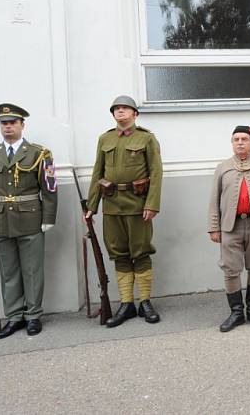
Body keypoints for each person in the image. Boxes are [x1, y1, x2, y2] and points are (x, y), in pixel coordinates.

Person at [0, 103, 58, 338]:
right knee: (8, 271)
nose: (8, 127)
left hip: (30, 218)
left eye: (13, 122)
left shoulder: (40, 153)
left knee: (32, 270)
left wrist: (48, 217)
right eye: (4, 123)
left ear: (23, 125)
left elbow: (49, 189)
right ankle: (14, 317)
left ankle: (33, 315)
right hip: (0, 219)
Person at [85, 95, 163, 327]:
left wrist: (152, 204)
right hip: (112, 206)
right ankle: (127, 303)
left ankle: (145, 301)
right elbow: (97, 173)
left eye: (125, 108)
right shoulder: (105, 139)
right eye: (116, 109)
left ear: (135, 114)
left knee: (140, 252)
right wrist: (92, 206)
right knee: (118, 253)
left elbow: (156, 173)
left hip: (138, 205)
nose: (120, 112)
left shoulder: (146, 138)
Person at [208, 126, 250, 332]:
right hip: (231, 226)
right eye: (236, 139)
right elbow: (214, 200)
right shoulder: (222, 167)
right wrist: (214, 227)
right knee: (230, 269)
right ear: (232, 143)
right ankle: (236, 312)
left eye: (244, 139)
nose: (240, 142)